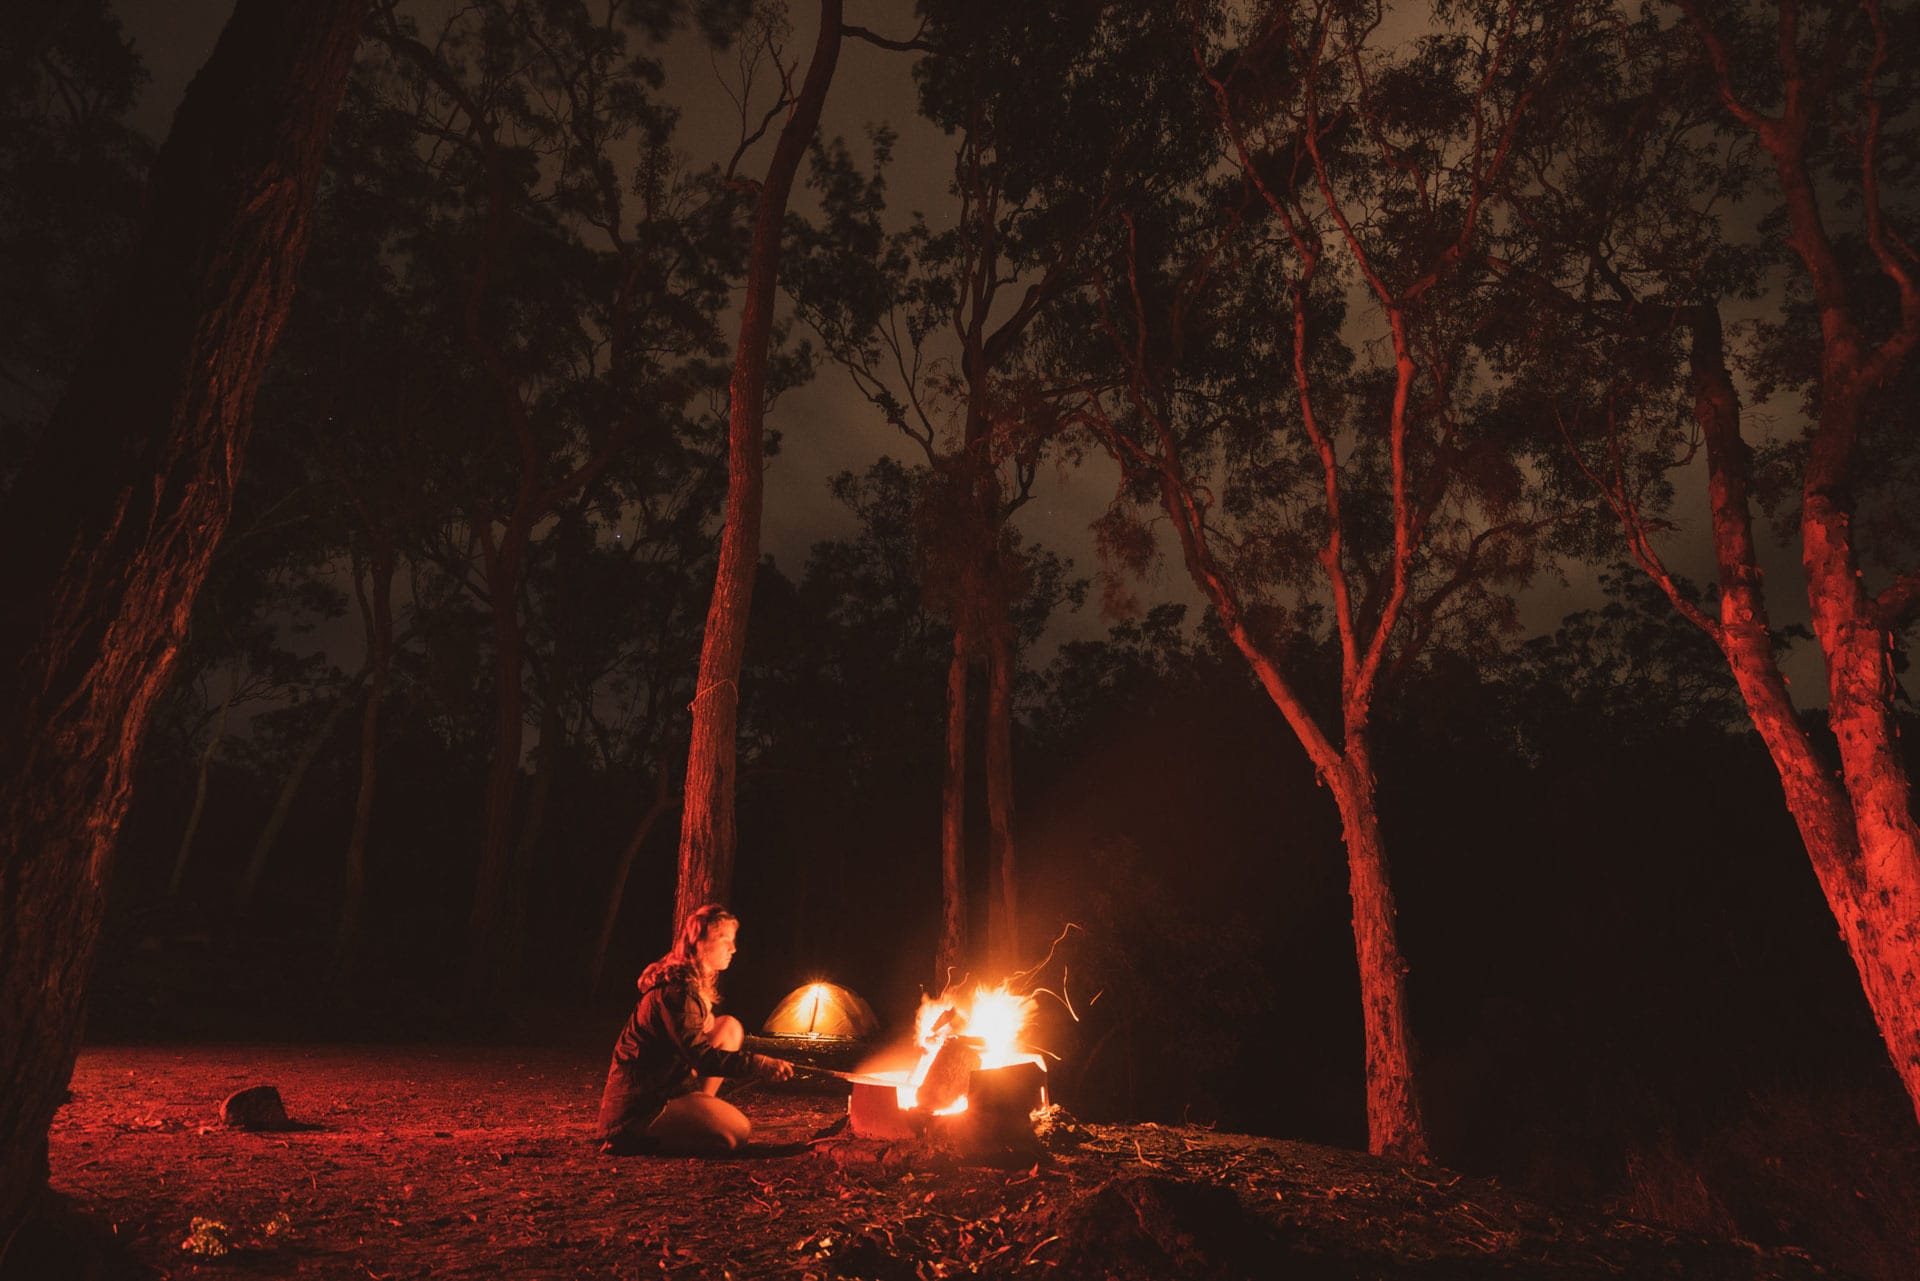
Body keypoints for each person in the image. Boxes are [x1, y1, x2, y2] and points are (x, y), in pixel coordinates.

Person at [596, 903, 795, 1155]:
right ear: (700, 943)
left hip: (669, 1085)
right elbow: (701, 1057)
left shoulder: (691, 987)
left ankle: (700, 1113)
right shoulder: (677, 992)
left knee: (729, 1027)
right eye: (724, 940)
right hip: (642, 1104)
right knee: (736, 1133)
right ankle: (634, 1139)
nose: (732, 948)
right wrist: (758, 1063)